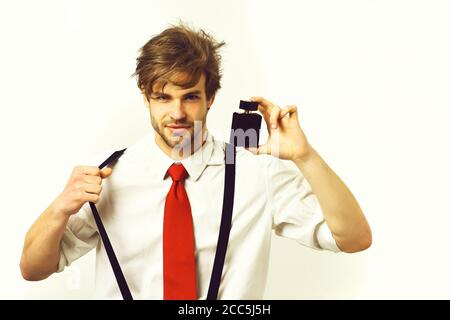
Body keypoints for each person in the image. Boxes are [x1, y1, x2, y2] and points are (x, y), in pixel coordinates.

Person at [19, 23, 372, 299]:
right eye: (163, 97)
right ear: (146, 97)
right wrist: (59, 209)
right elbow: (33, 269)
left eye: (190, 97)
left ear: (211, 98)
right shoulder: (104, 175)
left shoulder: (255, 172)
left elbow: (354, 239)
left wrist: (304, 156)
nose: (177, 113)